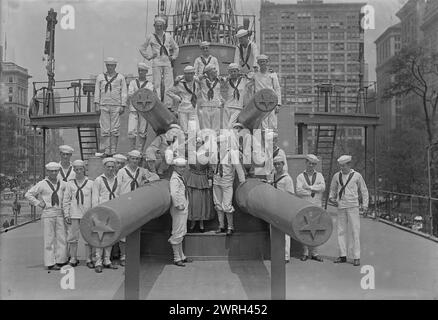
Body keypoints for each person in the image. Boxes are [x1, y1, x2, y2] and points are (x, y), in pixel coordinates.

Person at [116, 150, 160, 265]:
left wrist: (147, 180)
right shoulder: (122, 172)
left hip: (136, 203)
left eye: (137, 159)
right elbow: (118, 188)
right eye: (133, 159)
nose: (135, 161)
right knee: (123, 230)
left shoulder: (141, 171)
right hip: (124, 202)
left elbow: (156, 176)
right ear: (128, 159)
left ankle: (133, 254)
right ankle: (123, 256)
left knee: (134, 228)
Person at [25, 162, 68, 270]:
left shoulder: (63, 183)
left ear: (58, 171)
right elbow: (28, 194)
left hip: (59, 213)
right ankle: (50, 263)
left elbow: (68, 196)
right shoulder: (42, 184)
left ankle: (61, 260)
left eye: (56, 171)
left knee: (62, 238)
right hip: (48, 214)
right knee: (49, 239)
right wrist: (39, 203)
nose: (54, 173)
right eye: (51, 171)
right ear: (47, 172)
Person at [329, 155, 369, 267]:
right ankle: (342, 255)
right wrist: (332, 198)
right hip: (341, 206)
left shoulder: (357, 176)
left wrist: (365, 205)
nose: (342, 168)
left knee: (355, 231)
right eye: (340, 166)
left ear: (349, 165)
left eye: (344, 166)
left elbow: (364, 190)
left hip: (353, 206)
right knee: (341, 231)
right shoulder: (337, 176)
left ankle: (356, 257)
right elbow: (332, 189)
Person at [139, 16, 179, 109]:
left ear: (163, 26)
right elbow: (142, 48)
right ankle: (158, 104)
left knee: (168, 83)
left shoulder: (168, 36)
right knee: (157, 83)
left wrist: (173, 57)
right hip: (157, 61)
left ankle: (168, 104)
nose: (159, 27)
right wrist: (149, 56)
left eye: (161, 26)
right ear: (154, 26)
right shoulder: (151, 37)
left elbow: (176, 47)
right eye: (157, 26)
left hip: (166, 61)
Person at [213, 134, 246, 235]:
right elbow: (213, 167)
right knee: (218, 204)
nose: (219, 145)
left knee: (227, 205)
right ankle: (221, 226)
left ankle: (230, 227)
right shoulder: (215, 153)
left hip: (227, 182)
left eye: (221, 143)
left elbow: (238, 169)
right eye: (217, 143)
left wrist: (242, 182)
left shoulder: (232, 153)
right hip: (216, 181)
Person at [62, 160, 94, 267]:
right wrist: (66, 214)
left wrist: (93, 214)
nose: (79, 171)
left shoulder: (90, 183)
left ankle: (89, 259)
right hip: (74, 214)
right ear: (74, 170)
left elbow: (94, 200)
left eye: (81, 169)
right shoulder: (70, 184)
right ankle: (73, 258)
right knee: (72, 237)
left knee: (88, 237)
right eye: (76, 169)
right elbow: (66, 200)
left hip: (87, 214)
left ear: (84, 169)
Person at [94, 57, 127, 156]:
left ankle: (113, 150)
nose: (110, 67)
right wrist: (96, 103)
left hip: (116, 105)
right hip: (104, 104)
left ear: (115, 66)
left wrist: (123, 105)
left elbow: (124, 92)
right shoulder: (100, 77)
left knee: (115, 129)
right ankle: (107, 150)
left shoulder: (120, 77)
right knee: (105, 129)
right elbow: (97, 91)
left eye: (111, 65)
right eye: (108, 65)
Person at [295, 154, 325, 262]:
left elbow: (322, 188)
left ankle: (315, 253)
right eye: (309, 163)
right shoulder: (300, 177)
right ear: (306, 162)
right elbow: (298, 191)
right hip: (305, 205)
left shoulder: (320, 175)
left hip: (317, 206)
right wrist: (313, 191)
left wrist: (309, 187)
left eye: (313, 164)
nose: (311, 165)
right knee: (304, 229)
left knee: (316, 230)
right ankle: (305, 252)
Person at [92, 157, 119, 272]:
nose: (110, 169)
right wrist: (96, 213)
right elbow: (95, 197)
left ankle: (107, 260)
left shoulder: (118, 179)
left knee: (110, 237)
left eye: (112, 167)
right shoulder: (98, 180)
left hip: (113, 211)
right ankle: (98, 262)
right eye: (108, 167)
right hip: (101, 212)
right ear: (104, 167)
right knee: (100, 237)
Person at [185, 136, 215, 233]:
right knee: (193, 202)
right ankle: (193, 222)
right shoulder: (190, 153)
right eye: (196, 143)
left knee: (202, 202)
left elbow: (210, 167)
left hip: (203, 179)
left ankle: (201, 222)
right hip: (193, 179)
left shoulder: (206, 154)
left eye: (200, 143)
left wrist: (210, 178)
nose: (198, 145)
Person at [169, 157, 193, 266]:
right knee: (177, 232)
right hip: (179, 209)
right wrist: (178, 205)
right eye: (180, 167)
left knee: (181, 232)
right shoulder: (175, 179)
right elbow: (174, 193)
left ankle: (182, 256)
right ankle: (176, 258)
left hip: (183, 208)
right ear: (175, 167)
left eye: (183, 167)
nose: (182, 169)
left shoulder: (180, 177)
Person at [247, 55, 281, 131]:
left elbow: (277, 88)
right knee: (262, 124)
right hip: (259, 103)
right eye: (260, 62)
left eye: (264, 61)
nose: (262, 63)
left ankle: (272, 141)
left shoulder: (272, 74)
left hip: (271, 102)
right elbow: (249, 85)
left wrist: (278, 104)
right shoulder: (255, 75)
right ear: (258, 63)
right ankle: (262, 141)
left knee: (272, 124)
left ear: (267, 63)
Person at [272, 155, 295, 263]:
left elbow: (290, 195)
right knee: (274, 231)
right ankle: (277, 253)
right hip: (274, 206)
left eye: (279, 164)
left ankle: (286, 256)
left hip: (284, 207)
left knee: (285, 233)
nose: (277, 166)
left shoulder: (287, 179)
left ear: (283, 164)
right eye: (275, 164)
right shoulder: (274, 176)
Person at [128, 62, 154, 152]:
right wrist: (142, 94)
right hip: (134, 108)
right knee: (131, 130)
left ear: (146, 72)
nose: (140, 72)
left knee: (142, 131)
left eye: (143, 71)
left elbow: (149, 94)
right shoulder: (133, 83)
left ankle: (140, 151)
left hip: (144, 110)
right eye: (139, 70)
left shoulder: (149, 84)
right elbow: (130, 94)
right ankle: (132, 150)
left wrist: (139, 94)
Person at [167, 66, 200, 133]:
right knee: (184, 128)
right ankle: (184, 141)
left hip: (193, 107)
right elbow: (168, 92)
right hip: (183, 108)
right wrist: (178, 98)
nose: (189, 75)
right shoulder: (180, 83)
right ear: (184, 74)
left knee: (194, 127)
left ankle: (194, 141)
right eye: (187, 73)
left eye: (191, 73)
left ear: (193, 74)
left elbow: (202, 77)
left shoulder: (196, 81)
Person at [222, 63, 250, 128]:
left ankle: (232, 137)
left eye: (235, 71)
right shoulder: (227, 81)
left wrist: (245, 75)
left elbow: (252, 79)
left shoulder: (243, 80)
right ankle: (226, 138)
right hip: (227, 106)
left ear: (238, 71)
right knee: (225, 126)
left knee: (230, 126)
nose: (233, 73)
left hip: (238, 107)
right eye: (231, 71)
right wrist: (222, 100)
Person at [198, 65, 225, 131]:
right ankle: (206, 139)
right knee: (206, 127)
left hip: (216, 105)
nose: (216, 70)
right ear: (209, 72)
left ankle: (214, 140)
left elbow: (217, 92)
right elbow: (193, 78)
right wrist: (203, 75)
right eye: (214, 69)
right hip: (206, 105)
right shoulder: (202, 81)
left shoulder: (219, 81)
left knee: (216, 127)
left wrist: (221, 99)